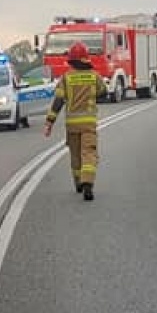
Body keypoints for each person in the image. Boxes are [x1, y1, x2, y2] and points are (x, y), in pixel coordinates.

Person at [42, 41, 107, 201]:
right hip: (89, 124)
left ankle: (78, 182)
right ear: (86, 59)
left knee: (76, 155)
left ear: (71, 60)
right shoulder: (94, 76)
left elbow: (58, 101)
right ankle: (88, 184)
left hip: (72, 125)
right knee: (89, 153)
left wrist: (49, 122)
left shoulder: (66, 78)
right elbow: (103, 92)